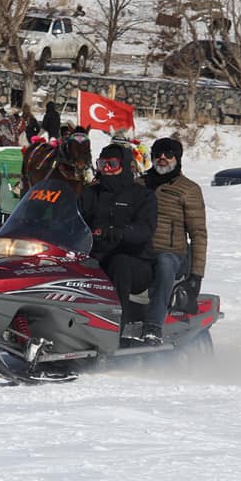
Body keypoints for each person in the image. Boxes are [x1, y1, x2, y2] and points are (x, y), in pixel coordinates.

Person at [78, 142, 156, 340]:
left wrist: (121, 232)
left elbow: (145, 229)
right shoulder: (89, 194)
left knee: (119, 264)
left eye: (111, 164)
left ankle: (113, 332)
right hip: (96, 255)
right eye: (102, 164)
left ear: (124, 165)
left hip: (136, 261)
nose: (105, 169)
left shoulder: (142, 195)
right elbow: (73, 217)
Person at [143, 137, 207, 344]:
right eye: (158, 154)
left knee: (164, 263)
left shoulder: (189, 189)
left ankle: (153, 326)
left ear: (177, 159)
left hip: (172, 253)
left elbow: (198, 233)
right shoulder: (139, 183)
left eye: (168, 154)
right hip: (141, 250)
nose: (162, 158)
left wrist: (196, 275)